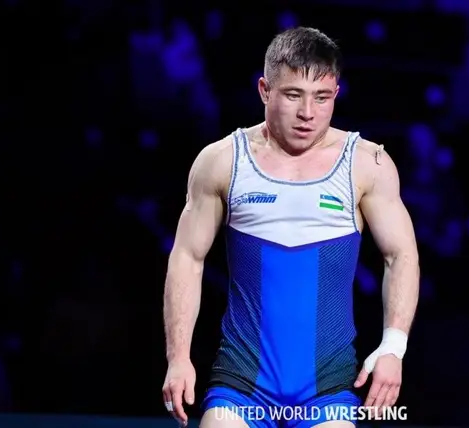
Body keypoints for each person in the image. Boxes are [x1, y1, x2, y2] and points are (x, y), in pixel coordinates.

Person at [162, 27, 420, 428]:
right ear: (265, 90)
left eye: (322, 97)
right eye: (294, 95)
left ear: (336, 94)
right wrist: (178, 357)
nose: (308, 113)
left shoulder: (367, 164)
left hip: (327, 388)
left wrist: (394, 346)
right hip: (242, 384)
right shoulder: (223, 161)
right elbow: (187, 258)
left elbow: (400, 255)